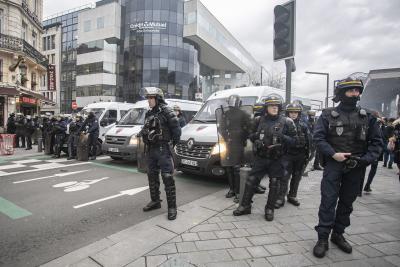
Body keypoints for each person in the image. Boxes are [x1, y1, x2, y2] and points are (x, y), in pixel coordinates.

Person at [312, 78, 382, 258]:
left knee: (347, 202)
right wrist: (333, 154)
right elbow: (318, 138)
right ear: (341, 93)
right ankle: (322, 238)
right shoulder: (327, 115)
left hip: (357, 165)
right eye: (350, 90)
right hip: (334, 164)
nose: (354, 93)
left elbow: (376, 143)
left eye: (357, 90)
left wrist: (363, 160)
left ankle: (338, 234)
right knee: (328, 201)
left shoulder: (368, 117)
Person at [232, 94, 296, 221]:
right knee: (251, 181)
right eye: (272, 106)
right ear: (266, 107)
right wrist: (256, 139)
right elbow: (249, 134)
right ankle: (245, 206)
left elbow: (295, 141)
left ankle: (269, 209)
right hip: (261, 157)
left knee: (274, 184)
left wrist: (282, 137)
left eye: (276, 106)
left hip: (277, 159)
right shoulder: (258, 120)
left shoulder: (287, 122)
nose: (274, 108)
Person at [139, 87, 181, 220]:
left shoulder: (167, 111)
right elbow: (145, 128)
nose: (149, 101)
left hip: (163, 149)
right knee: (152, 175)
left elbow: (177, 131)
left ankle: (172, 207)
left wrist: (170, 144)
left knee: (167, 177)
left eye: (151, 98)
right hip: (151, 149)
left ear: (158, 98)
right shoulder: (149, 113)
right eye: (148, 98)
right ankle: (155, 201)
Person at [216, 95, 252, 203]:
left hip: (237, 143)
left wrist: (242, 137)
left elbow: (249, 128)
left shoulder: (242, 114)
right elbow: (221, 128)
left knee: (235, 168)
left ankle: (237, 191)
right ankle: (233, 190)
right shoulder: (226, 114)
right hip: (231, 143)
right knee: (230, 167)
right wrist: (229, 138)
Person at [276, 102, 311, 208]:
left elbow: (309, 140)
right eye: (291, 112)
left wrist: (307, 155)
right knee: (284, 177)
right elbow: (279, 139)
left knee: (297, 176)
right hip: (287, 155)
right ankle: (280, 198)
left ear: (299, 113)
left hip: (300, 155)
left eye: (296, 112)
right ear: (288, 113)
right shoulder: (283, 124)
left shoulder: (304, 125)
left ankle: (292, 196)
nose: (293, 114)